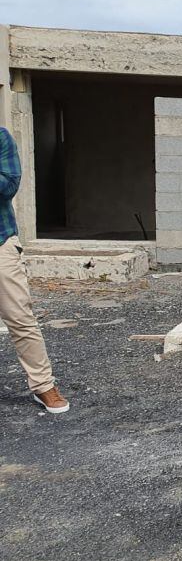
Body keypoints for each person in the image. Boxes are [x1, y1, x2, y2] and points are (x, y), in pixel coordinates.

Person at [0, 127, 68, 414]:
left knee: (20, 317)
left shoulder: (1, 138)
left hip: (0, 241)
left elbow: (9, 185)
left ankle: (43, 386)